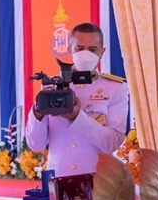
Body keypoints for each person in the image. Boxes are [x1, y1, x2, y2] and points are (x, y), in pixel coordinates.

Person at [25, 23, 129, 177]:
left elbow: (113, 143)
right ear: (70, 49)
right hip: (60, 178)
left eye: (92, 49)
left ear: (102, 52)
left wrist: (77, 117)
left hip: (99, 181)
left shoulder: (115, 88)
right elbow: (35, 145)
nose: (85, 54)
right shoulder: (53, 87)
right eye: (79, 48)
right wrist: (37, 113)